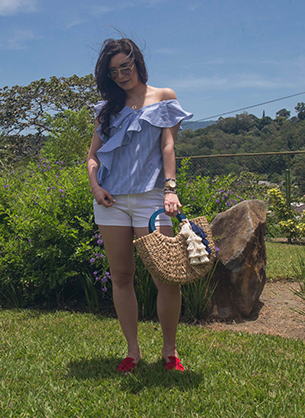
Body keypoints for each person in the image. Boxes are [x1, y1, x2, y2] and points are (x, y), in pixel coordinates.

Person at [86, 38, 193, 373]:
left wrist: (170, 189)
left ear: (138, 63)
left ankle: (169, 351)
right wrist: (95, 187)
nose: (121, 74)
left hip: (151, 197)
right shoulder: (107, 110)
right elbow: (91, 157)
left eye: (126, 66)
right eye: (114, 71)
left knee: (167, 277)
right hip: (111, 201)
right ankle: (132, 352)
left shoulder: (164, 97)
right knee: (121, 276)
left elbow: (168, 147)